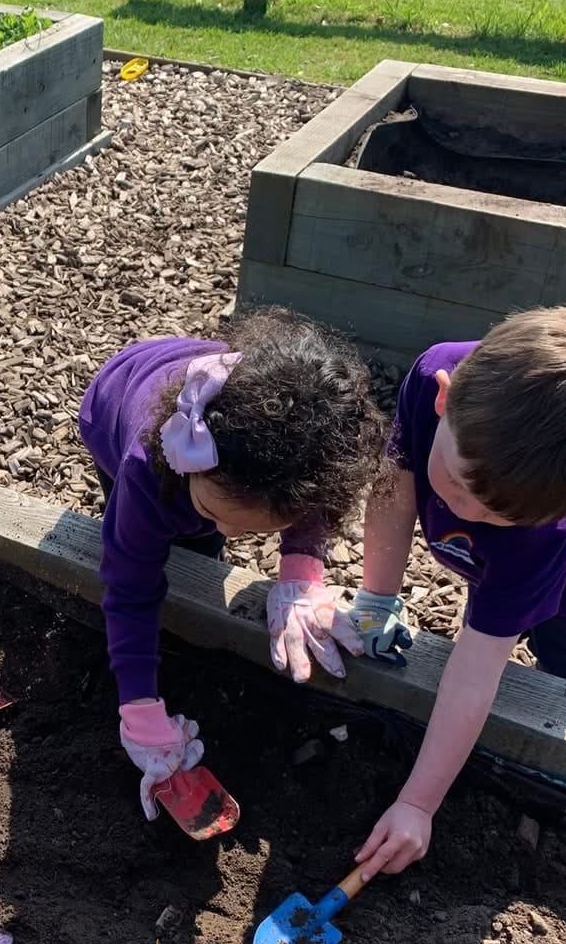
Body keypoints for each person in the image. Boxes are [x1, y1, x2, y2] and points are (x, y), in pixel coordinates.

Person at [79, 309, 388, 814]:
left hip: (223, 434)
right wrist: (137, 706)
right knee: (138, 534)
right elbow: (129, 585)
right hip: (115, 398)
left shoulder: (300, 460)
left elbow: (314, 503)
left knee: (200, 541)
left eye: (250, 529)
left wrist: (301, 572)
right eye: (215, 512)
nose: (230, 533)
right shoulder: (145, 467)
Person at [351, 307, 566, 879]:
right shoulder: (432, 376)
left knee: (560, 670)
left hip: (561, 585)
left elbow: (476, 671)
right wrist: (376, 600)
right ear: (443, 401)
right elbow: (394, 489)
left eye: (497, 514)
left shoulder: (544, 535)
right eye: (456, 482)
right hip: (512, 555)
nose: (465, 511)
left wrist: (418, 804)